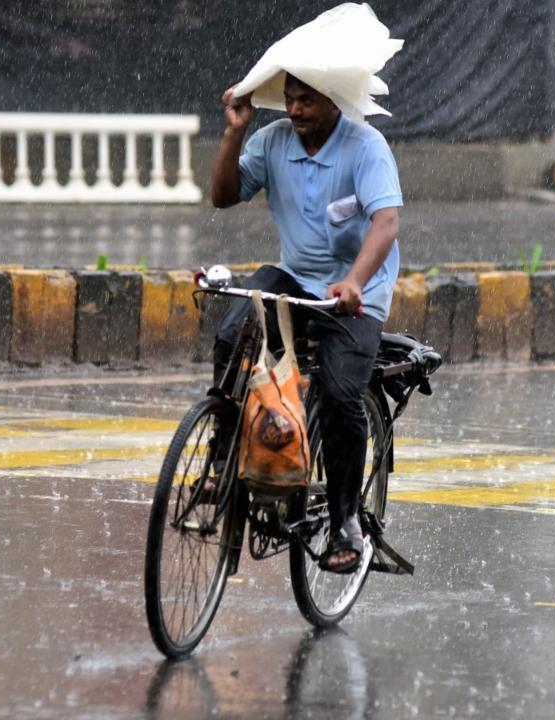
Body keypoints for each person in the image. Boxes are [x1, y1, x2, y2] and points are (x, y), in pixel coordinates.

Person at [209, 72, 403, 574]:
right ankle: (221, 460)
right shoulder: (272, 140)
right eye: (290, 100)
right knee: (233, 335)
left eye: (306, 102)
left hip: (357, 291)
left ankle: (346, 523)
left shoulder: (366, 147)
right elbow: (223, 196)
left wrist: (356, 282)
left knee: (340, 394)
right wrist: (234, 132)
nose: (295, 111)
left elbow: (386, 223)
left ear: (333, 100)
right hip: (295, 277)